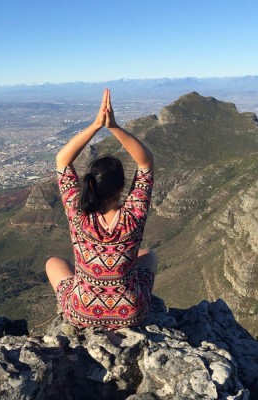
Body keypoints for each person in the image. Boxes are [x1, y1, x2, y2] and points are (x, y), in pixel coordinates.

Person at [46, 89, 157, 329]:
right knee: (149, 254)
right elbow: (146, 162)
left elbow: (62, 161)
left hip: (83, 313)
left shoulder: (78, 213)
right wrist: (114, 126)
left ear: (90, 185)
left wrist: (96, 125)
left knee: (54, 262)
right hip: (131, 313)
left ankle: (88, 291)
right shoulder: (133, 216)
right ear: (122, 187)